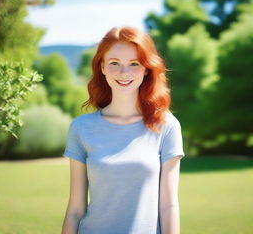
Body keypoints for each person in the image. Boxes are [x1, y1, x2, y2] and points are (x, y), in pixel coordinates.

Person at [61, 26, 185, 234]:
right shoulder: (81, 128)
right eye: (114, 63)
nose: (124, 72)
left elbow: (169, 206)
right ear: (102, 67)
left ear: (146, 68)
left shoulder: (167, 126)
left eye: (134, 64)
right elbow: (75, 209)